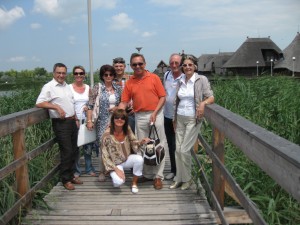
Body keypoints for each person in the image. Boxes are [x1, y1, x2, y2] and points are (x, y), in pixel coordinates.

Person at [119, 53, 167, 190]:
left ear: (144, 64)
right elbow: (124, 101)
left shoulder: (154, 78)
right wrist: (118, 113)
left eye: (140, 63)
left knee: (159, 146)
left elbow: (162, 97)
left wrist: (155, 112)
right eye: (134, 64)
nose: (137, 66)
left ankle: (158, 176)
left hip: (155, 114)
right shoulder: (130, 82)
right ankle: (146, 174)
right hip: (139, 116)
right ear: (131, 66)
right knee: (142, 146)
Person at [170, 55, 214, 190]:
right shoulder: (180, 80)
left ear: (195, 66)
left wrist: (203, 104)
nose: (187, 67)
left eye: (190, 65)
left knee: (184, 150)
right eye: (185, 65)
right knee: (177, 150)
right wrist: (174, 118)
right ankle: (179, 178)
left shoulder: (201, 79)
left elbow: (211, 97)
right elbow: (177, 101)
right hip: (180, 118)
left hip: (193, 119)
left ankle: (188, 179)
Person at [36, 63, 82, 190]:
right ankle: (65, 179)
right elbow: (39, 103)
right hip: (61, 123)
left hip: (72, 121)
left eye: (63, 73)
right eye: (59, 73)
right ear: (53, 73)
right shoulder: (49, 87)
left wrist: (76, 118)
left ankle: (72, 175)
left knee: (74, 150)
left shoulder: (66, 86)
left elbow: (70, 103)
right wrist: (55, 106)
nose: (61, 75)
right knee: (66, 151)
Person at [86, 64, 122, 182]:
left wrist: (117, 108)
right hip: (102, 121)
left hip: (117, 121)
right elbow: (90, 105)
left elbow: (123, 104)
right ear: (102, 75)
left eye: (111, 74)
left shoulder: (118, 88)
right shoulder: (97, 87)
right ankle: (102, 171)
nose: (108, 76)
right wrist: (89, 120)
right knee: (103, 147)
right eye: (106, 74)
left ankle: (112, 169)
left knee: (115, 146)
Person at [101, 109, 149, 193]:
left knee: (139, 159)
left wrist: (141, 142)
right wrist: (116, 169)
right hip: (114, 163)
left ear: (125, 120)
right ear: (113, 119)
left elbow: (133, 141)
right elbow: (105, 156)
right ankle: (112, 174)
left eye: (122, 118)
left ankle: (134, 183)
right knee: (118, 182)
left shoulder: (127, 128)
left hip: (126, 159)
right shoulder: (106, 135)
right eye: (117, 117)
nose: (119, 119)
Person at [69, 65, 96, 178]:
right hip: (73, 120)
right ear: (73, 75)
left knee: (88, 146)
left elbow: (92, 103)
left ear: (84, 75)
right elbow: (68, 104)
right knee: (75, 147)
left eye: (81, 73)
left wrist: (88, 108)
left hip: (86, 120)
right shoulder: (69, 88)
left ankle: (89, 168)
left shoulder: (88, 88)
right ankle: (77, 170)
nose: (78, 75)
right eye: (76, 73)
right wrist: (75, 117)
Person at [163, 53, 183, 180]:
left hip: (180, 116)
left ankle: (182, 172)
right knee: (171, 144)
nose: (174, 65)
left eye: (176, 63)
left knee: (180, 146)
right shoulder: (166, 75)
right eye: (171, 63)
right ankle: (173, 170)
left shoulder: (185, 77)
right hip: (167, 115)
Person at [112, 57, 135, 133]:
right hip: (117, 114)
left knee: (131, 136)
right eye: (116, 66)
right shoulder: (110, 80)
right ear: (113, 67)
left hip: (130, 113)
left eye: (121, 66)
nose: (119, 68)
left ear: (124, 67)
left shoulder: (131, 79)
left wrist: (136, 108)